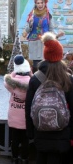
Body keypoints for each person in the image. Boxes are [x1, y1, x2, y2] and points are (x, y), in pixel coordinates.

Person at [25, 32, 73, 164]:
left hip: (40, 133)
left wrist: (30, 133)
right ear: (59, 57)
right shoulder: (67, 79)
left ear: (45, 56)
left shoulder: (35, 79)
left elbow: (28, 107)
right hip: (62, 134)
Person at [23, 0, 64, 73]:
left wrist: (57, 35)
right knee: (36, 65)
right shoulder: (31, 15)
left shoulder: (48, 15)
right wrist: (30, 23)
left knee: (45, 64)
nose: (40, 5)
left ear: (45, 3)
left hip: (45, 43)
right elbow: (27, 30)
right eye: (38, 3)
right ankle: (37, 82)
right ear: (35, 4)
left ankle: (45, 82)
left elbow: (51, 29)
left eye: (41, 2)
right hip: (34, 42)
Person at [4, 55, 32, 164]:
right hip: (25, 117)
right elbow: (36, 81)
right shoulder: (31, 82)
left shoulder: (12, 82)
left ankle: (14, 158)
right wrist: (31, 74)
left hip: (14, 115)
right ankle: (25, 159)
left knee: (14, 139)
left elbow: (6, 81)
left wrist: (13, 73)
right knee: (25, 140)